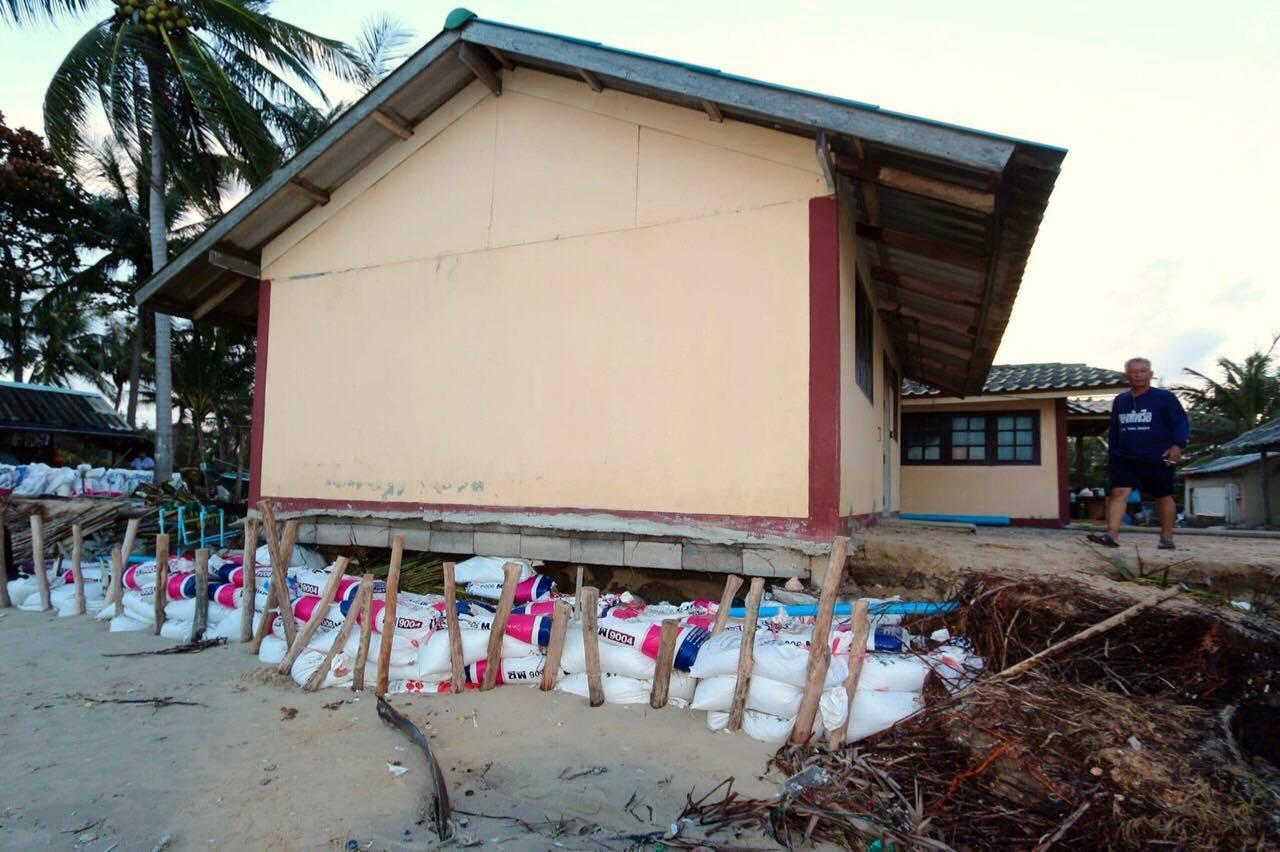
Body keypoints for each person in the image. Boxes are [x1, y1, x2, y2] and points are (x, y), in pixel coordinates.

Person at [1088, 357, 1189, 550]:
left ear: (1150, 374)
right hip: (1124, 456)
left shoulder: (1165, 398)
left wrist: (1178, 445)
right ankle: (1111, 535)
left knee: (1163, 495)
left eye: (1143, 371)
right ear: (1127, 375)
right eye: (1134, 371)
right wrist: (1113, 454)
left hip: (1157, 455)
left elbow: (1180, 423)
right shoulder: (1121, 400)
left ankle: (1167, 538)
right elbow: (1115, 429)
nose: (1138, 375)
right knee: (1118, 492)